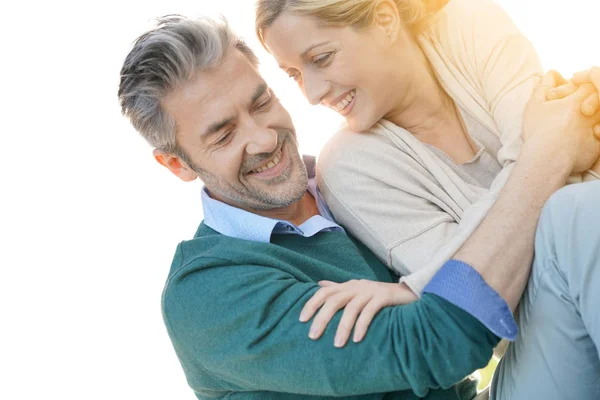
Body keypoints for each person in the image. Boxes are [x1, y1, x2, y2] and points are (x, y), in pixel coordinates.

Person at [118, 15, 600, 400]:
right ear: (176, 165)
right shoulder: (207, 291)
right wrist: (548, 151)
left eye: (262, 102)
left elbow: (522, 255)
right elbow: (433, 344)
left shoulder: (357, 182)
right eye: (223, 135)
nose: (263, 138)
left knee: (580, 215)